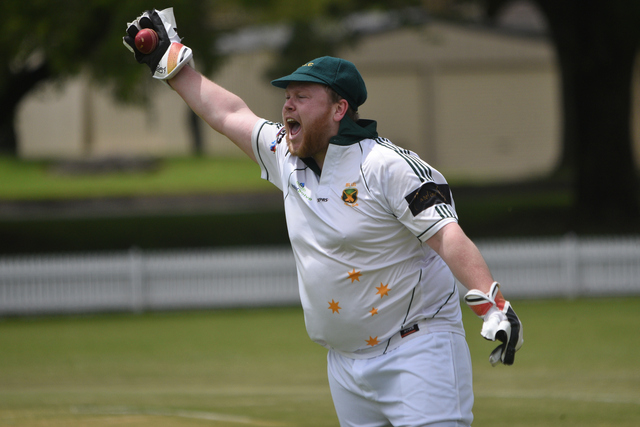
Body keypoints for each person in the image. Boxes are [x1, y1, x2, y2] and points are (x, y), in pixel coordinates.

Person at [124, 8, 523, 427]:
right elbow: (229, 114)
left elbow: (447, 235)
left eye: (301, 96)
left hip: (419, 352)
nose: (287, 104)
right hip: (345, 365)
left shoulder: (387, 166)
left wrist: (493, 305)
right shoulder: (284, 154)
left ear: (339, 109)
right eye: (286, 96)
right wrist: (172, 64)